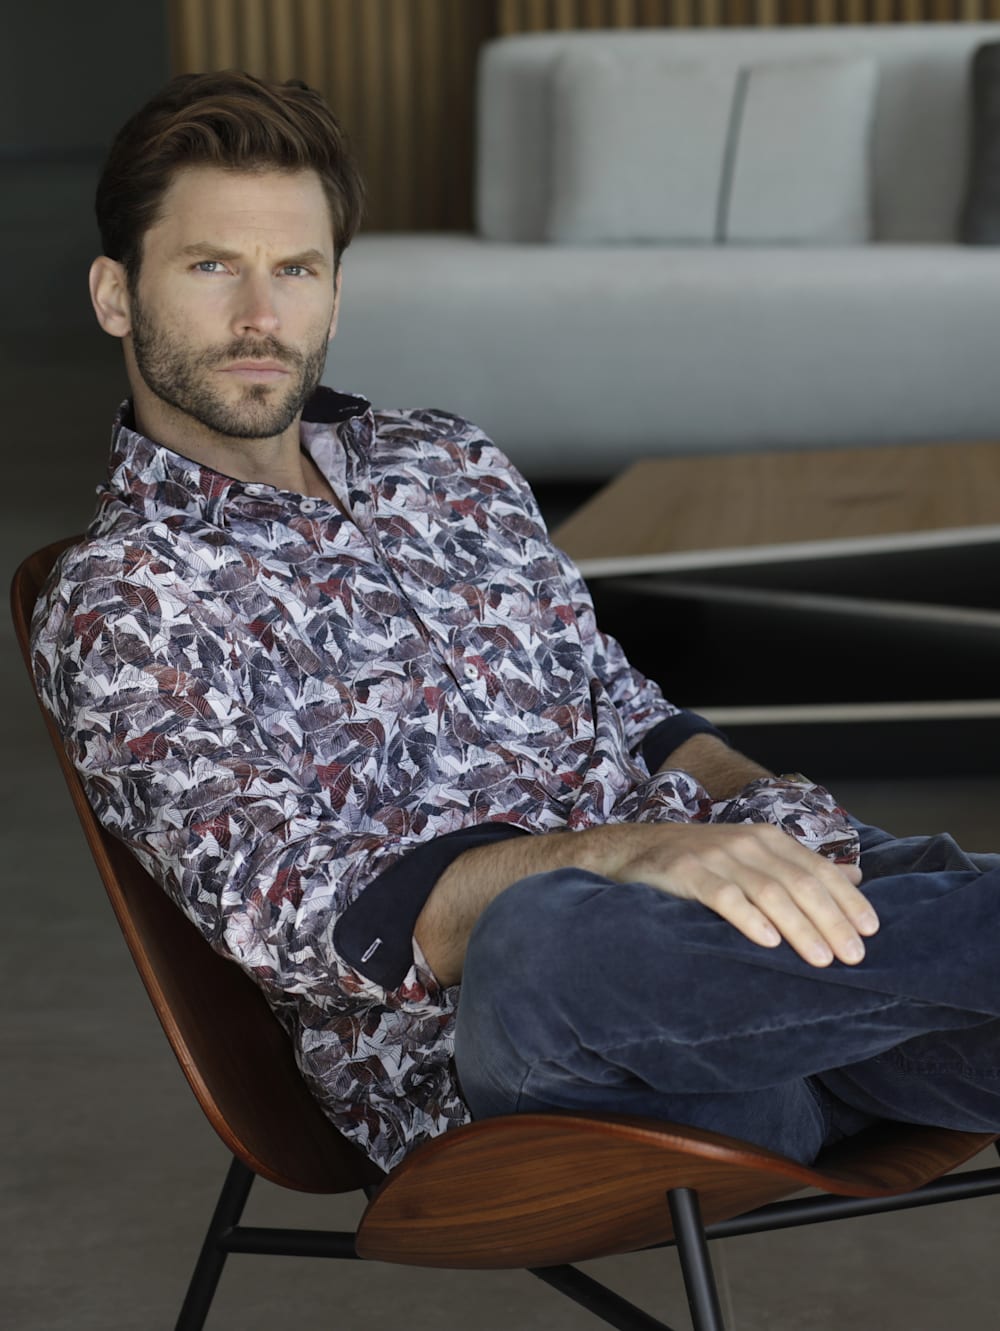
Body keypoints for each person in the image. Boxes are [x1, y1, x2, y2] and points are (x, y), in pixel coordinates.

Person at [31, 70, 1000, 1176]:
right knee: (541, 937)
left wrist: (759, 814)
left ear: (334, 294)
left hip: (760, 1021)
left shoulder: (446, 461)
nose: (261, 315)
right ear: (116, 294)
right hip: (526, 1064)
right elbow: (305, 917)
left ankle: (857, 972)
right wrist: (629, 854)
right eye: (212, 266)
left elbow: (622, 707)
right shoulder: (123, 599)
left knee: (899, 872)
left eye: (295, 269)